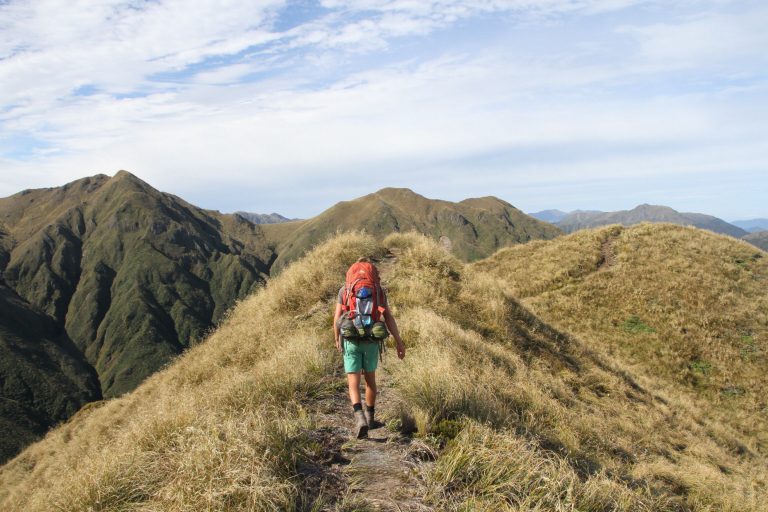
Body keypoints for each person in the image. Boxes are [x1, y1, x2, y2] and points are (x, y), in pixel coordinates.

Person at [334, 258, 405, 439]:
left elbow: (336, 319)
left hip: (351, 339)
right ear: (373, 274)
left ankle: (359, 418)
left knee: (353, 383)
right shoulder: (379, 292)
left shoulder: (345, 290)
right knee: (370, 380)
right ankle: (371, 418)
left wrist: (337, 338)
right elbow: (388, 317)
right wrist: (398, 341)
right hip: (372, 339)